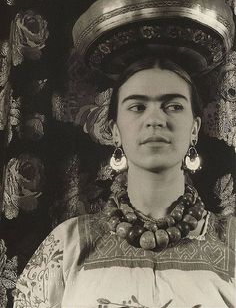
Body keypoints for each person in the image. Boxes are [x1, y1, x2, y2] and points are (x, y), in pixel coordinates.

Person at [13, 55, 236, 308]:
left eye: (173, 106)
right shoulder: (68, 245)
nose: (155, 119)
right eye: (138, 107)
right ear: (116, 132)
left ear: (194, 129)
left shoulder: (232, 243)